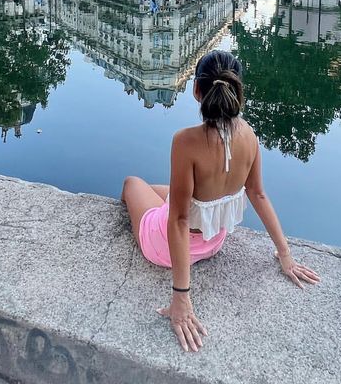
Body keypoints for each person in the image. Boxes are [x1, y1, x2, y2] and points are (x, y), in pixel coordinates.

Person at [121, 50, 319, 353]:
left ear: (197, 90)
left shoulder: (185, 141)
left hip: (170, 248)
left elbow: (180, 220)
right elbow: (258, 194)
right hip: (214, 241)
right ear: (237, 89)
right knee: (169, 193)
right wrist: (285, 255)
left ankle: (148, 214)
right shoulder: (249, 135)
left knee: (133, 184)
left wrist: (181, 297)